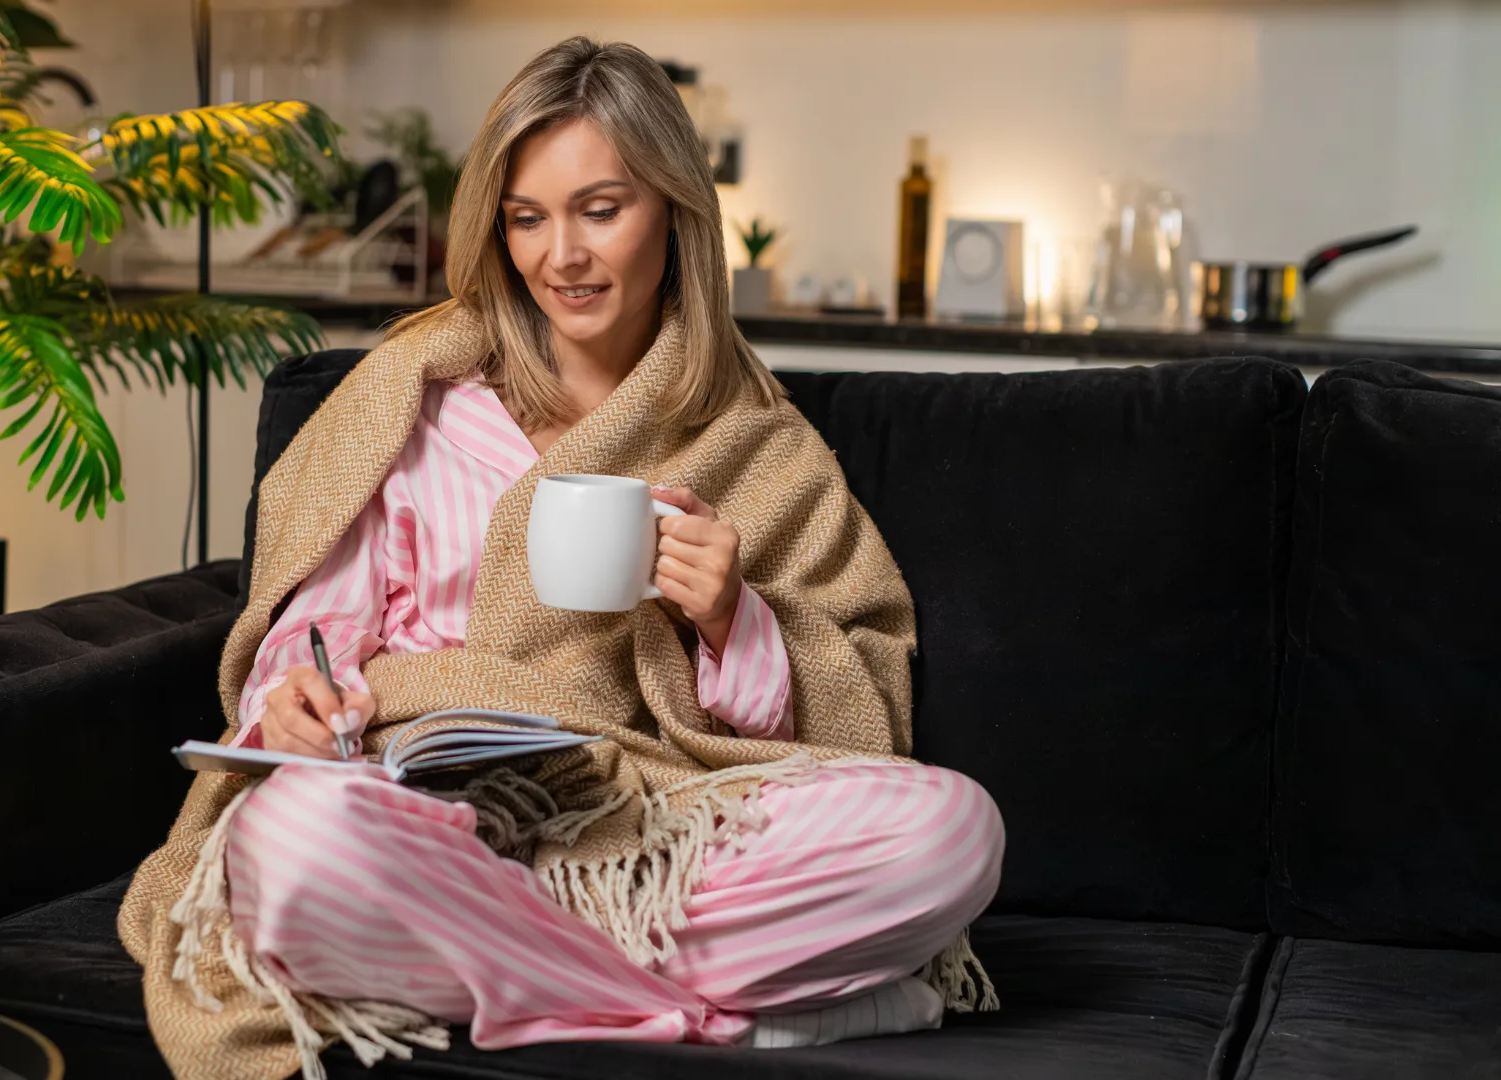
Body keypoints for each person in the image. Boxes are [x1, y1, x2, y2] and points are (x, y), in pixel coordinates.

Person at [121, 37, 1003, 1080]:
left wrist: (733, 618)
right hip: (420, 806)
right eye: (528, 218)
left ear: (674, 212)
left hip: (646, 817)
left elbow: (867, 713)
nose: (562, 257)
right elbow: (313, 634)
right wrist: (295, 705)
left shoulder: (757, 445)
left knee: (951, 832)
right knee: (293, 846)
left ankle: (507, 965)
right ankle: (722, 1019)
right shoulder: (409, 403)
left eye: (600, 210)